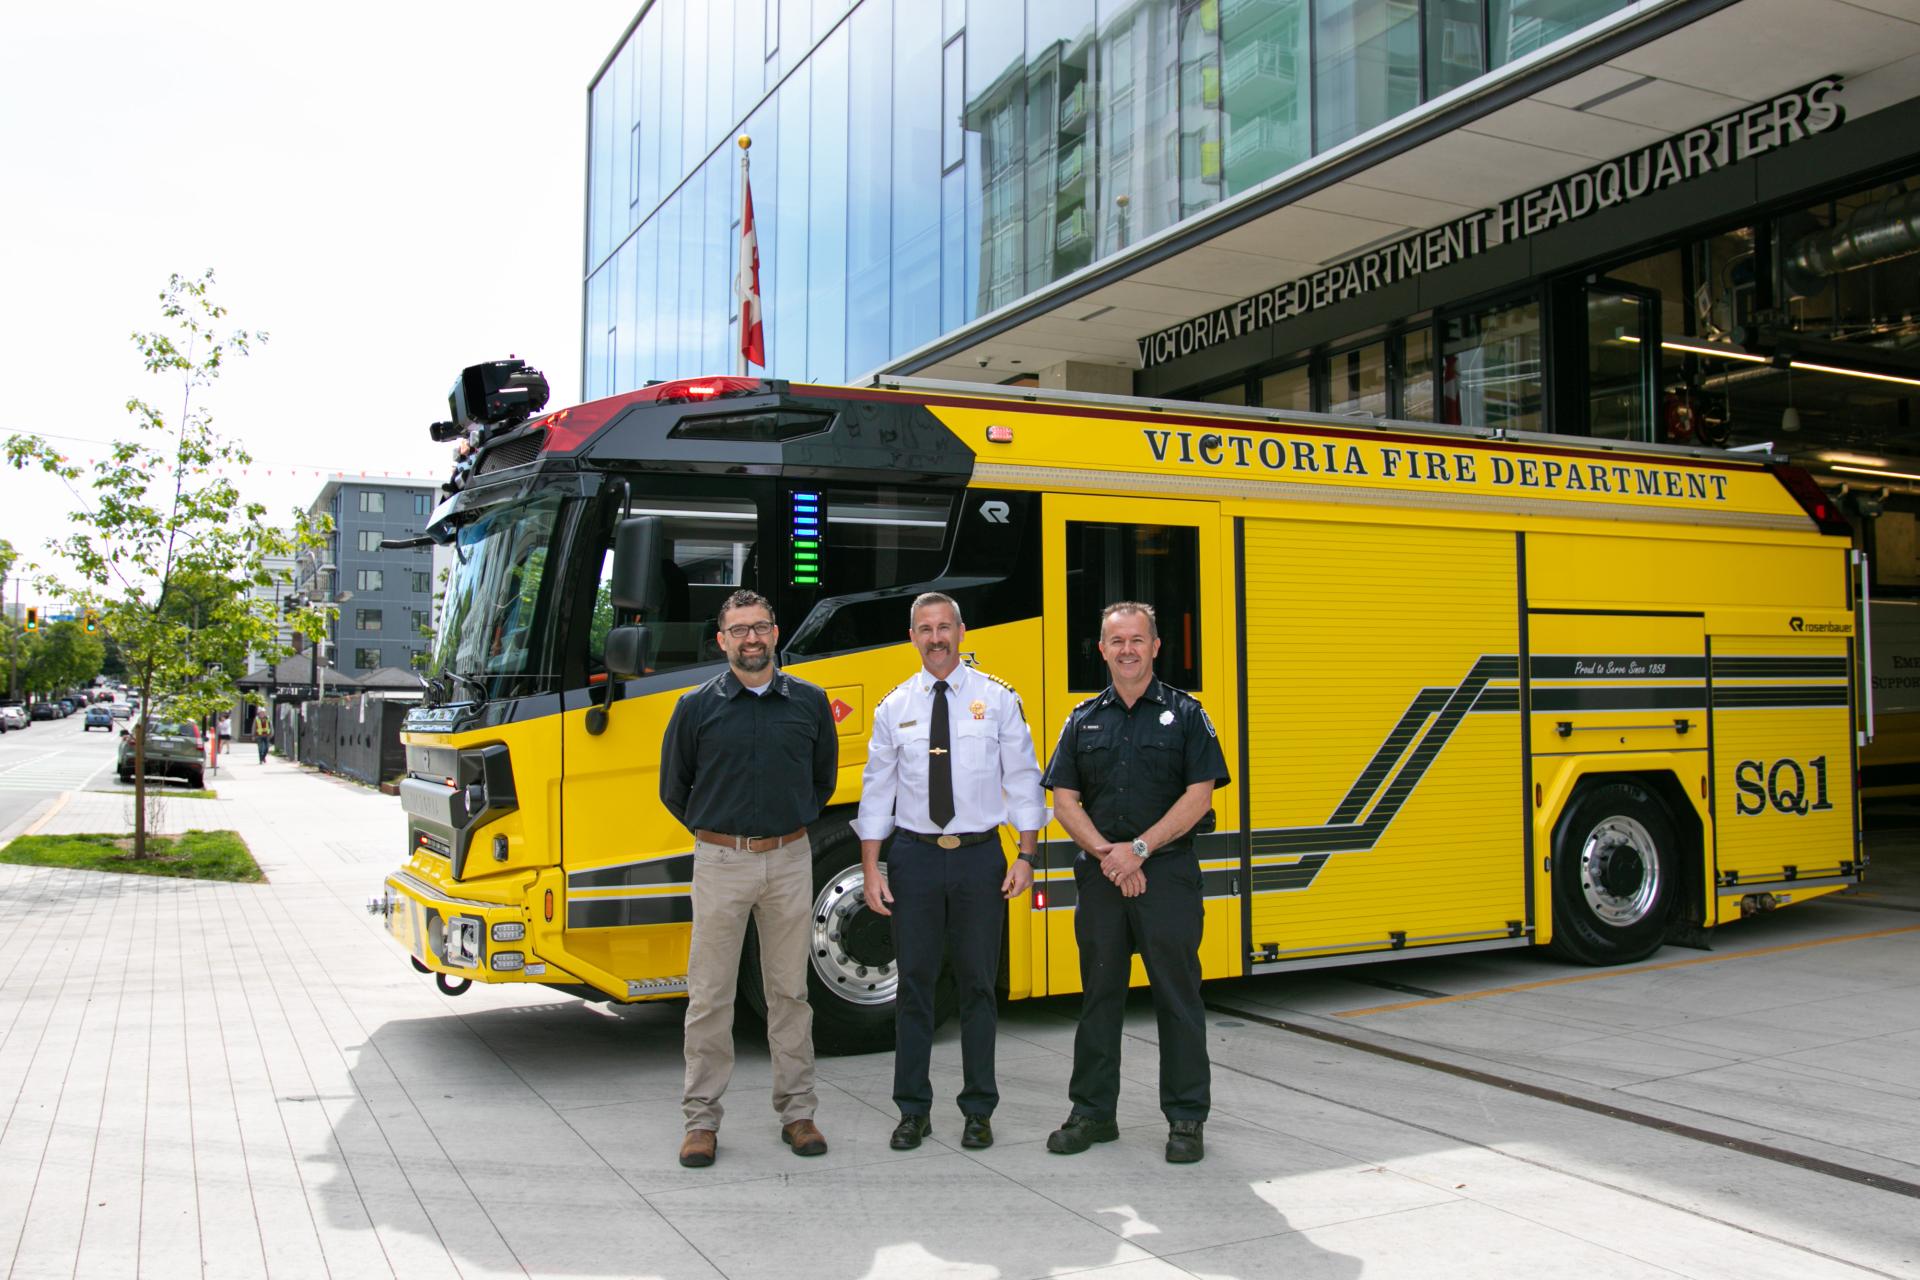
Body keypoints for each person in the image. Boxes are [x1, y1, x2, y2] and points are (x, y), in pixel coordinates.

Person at [856, 593, 1046, 1152]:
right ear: (911, 636)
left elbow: (1024, 780)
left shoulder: (998, 699)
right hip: (913, 858)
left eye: (944, 627)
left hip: (979, 857)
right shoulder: (894, 708)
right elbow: (876, 793)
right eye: (924, 628)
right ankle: (912, 1109)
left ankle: (978, 1109)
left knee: (978, 987)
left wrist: (1027, 856)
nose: (935, 638)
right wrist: (872, 868)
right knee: (913, 987)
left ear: (962, 632)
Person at [1041, 601, 1230, 1164]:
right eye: (1115, 640)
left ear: (1155, 647)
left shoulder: (1187, 714)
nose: (1126, 649)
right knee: (1099, 997)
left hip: (1167, 875)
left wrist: (1140, 851)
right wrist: (1108, 854)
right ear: (1101, 649)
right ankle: (1093, 1114)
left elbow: (1199, 796)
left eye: (1137, 640)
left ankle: (1186, 1118)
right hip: (1103, 877)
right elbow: (1064, 799)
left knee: (1178, 997)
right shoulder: (1083, 719)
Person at [660, 589, 838, 1169]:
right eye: (738, 630)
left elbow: (823, 782)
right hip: (719, 862)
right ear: (722, 640)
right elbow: (674, 787)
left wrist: (779, 830)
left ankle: (798, 1113)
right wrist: (721, 834)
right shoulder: (695, 707)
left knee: (790, 992)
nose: (751, 639)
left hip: (790, 859)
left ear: (776, 632)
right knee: (710, 995)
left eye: (759, 627)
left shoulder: (809, 704)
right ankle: (701, 1122)